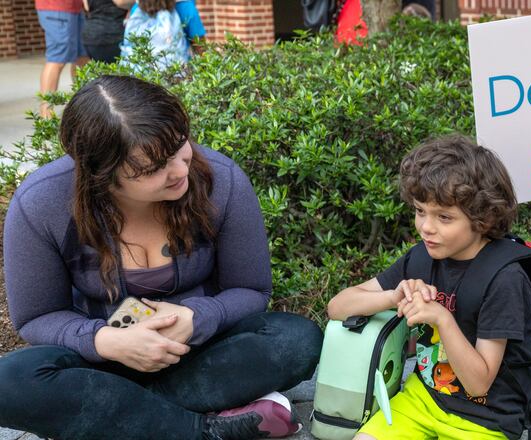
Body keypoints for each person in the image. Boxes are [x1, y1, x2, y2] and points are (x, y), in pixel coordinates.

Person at [0, 75, 322, 440]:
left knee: (298, 339)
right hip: (102, 363)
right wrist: (104, 341)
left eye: (179, 146)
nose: (182, 171)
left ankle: (123, 417)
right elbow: (36, 316)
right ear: (100, 176)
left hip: (200, 352)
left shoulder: (223, 180)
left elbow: (251, 290)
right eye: (154, 169)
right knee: (8, 383)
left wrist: (197, 317)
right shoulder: (41, 202)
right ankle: (204, 429)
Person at [327, 135, 531, 440]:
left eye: (444, 217)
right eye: (420, 210)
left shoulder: (505, 279)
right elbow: (338, 306)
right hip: (422, 400)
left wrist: (441, 318)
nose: (426, 227)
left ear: (484, 219)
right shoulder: (421, 257)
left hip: (486, 419)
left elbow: (479, 384)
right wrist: (392, 296)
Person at [35, 0, 90, 117]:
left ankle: (84, 106)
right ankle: (46, 116)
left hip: (75, 8)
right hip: (57, 8)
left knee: (82, 57)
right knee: (57, 59)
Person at [121, 0, 191, 68]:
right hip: (174, 74)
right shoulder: (183, 7)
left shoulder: (136, 10)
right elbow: (199, 45)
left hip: (135, 75)